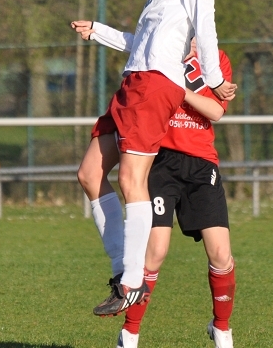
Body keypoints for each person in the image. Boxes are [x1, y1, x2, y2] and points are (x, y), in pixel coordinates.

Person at [71, 0, 255, 317]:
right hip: (137, 80)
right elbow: (150, 43)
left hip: (153, 86)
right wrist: (100, 32)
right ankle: (125, 270)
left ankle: (131, 279)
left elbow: (205, 28)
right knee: (89, 174)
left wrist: (212, 78)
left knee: (132, 179)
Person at [73, 23, 236, 348]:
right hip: (159, 160)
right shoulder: (158, 56)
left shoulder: (216, 61)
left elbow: (216, 110)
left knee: (221, 253)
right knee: (155, 252)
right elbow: (132, 44)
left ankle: (221, 328)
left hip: (201, 163)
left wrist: (178, 90)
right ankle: (130, 334)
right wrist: (99, 32)